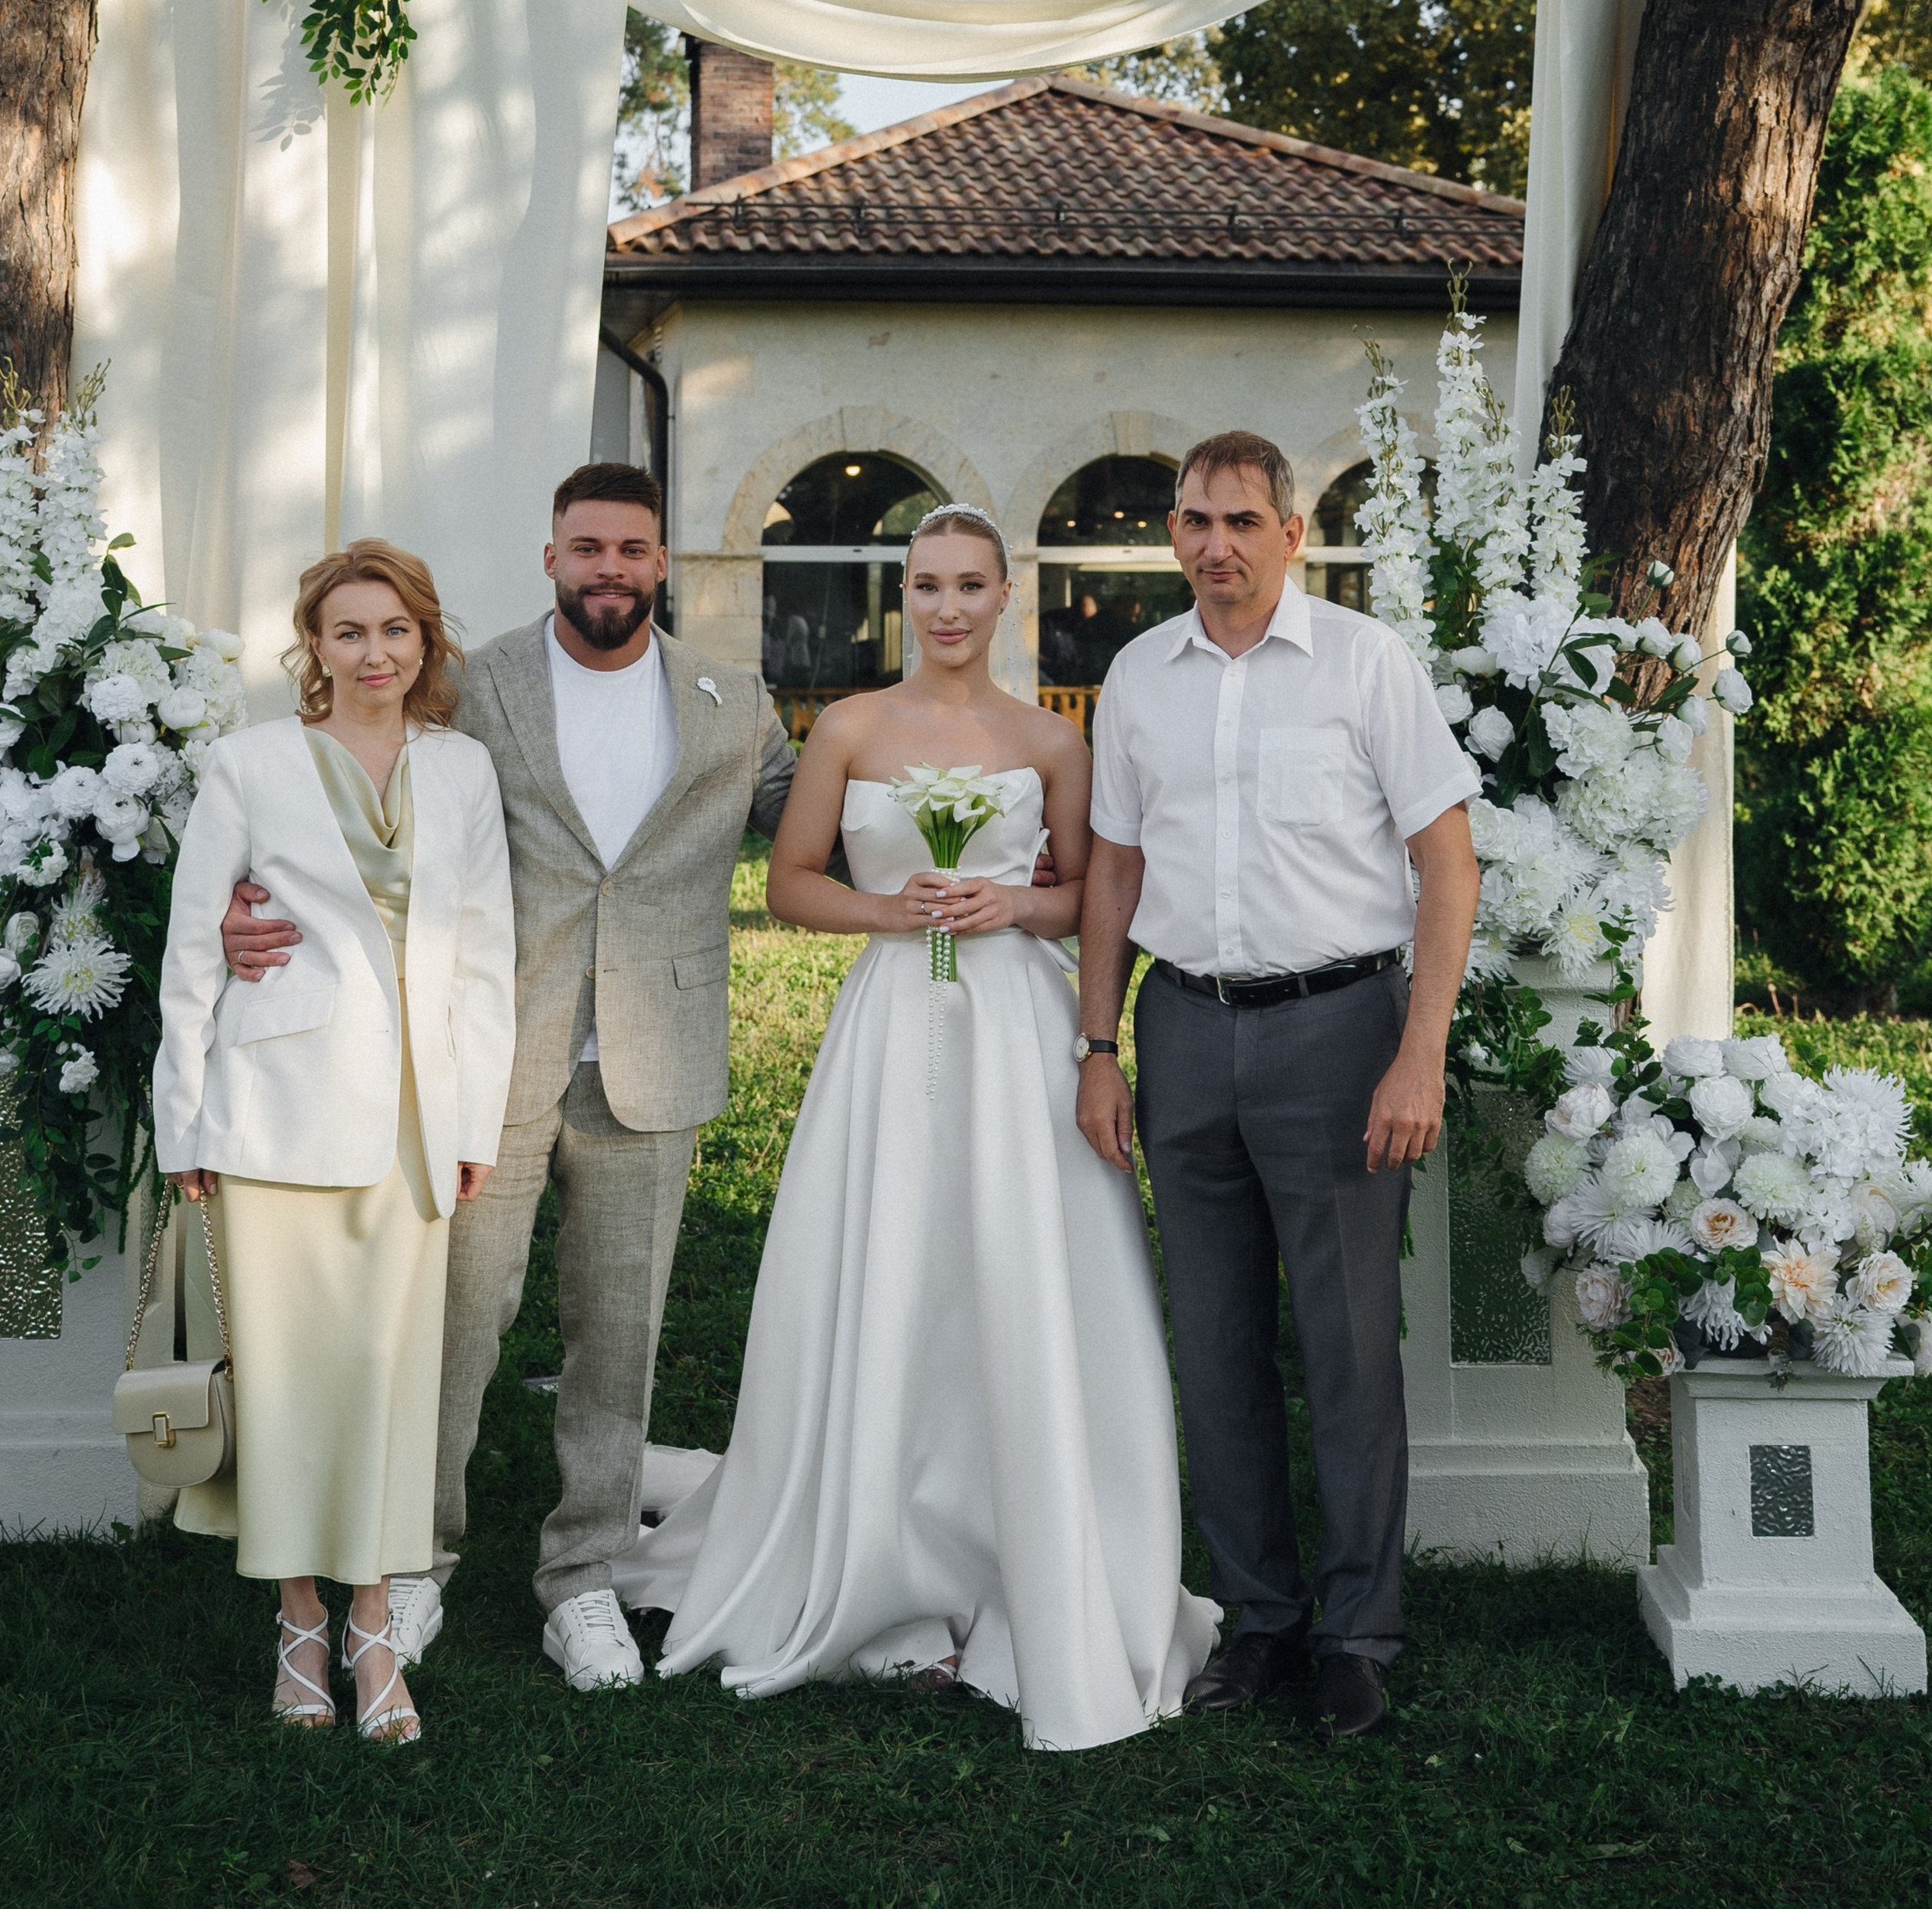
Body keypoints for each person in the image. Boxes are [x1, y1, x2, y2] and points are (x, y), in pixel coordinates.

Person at [612, 503, 1219, 1752]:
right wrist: (895, 918)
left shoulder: (1055, 738)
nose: (947, 608)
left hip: (1016, 1028)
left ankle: (1029, 1532)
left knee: (1016, 1260)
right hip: (892, 1024)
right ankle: (866, 1534)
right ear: (906, 596)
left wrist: (1009, 902)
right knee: (890, 1252)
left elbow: (1089, 898)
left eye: (969, 587)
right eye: (927, 586)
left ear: (1006, 595)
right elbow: (789, 883)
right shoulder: (846, 725)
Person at [220, 462, 797, 1694]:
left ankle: (582, 1578)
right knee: (456, 1324)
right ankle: (413, 1560)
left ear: (660, 562)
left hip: (656, 1058)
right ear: (551, 559)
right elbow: (361, 817)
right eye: (586, 548)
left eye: (631, 550)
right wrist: (237, 907)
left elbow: (819, 822)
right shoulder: (472, 693)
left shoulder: (730, 702)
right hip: (485, 1060)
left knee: (618, 1338)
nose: (609, 570)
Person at [1075, 431, 1480, 1744]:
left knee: (1349, 1347)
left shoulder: (1366, 666)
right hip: (1185, 1032)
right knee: (1216, 1345)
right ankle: (1258, 1622)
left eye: (1243, 521)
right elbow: (1115, 877)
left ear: (1293, 534)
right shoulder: (1139, 676)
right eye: (1195, 521)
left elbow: (1448, 864)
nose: (1216, 546)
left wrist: (1416, 1051)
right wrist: (1099, 1045)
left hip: (1338, 1033)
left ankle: (1358, 1632)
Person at [154, 542, 516, 1744]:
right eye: (349, 631)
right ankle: (300, 1626)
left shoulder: (462, 770)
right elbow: (196, 949)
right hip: (270, 1113)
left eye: (396, 631)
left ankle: (377, 1626)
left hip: (416, 1123)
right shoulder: (250, 763)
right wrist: (182, 1120)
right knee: (290, 1384)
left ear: (428, 641)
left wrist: (471, 1120)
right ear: (313, 644)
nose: (374, 653)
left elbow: (482, 955)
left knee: (384, 1382)